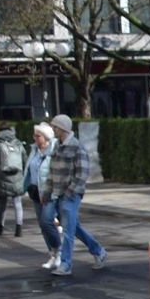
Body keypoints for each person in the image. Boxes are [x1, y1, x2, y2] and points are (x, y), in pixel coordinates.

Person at [42, 115, 106, 279]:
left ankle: (66, 264)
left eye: (55, 127)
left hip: (70, 195)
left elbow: (82, 173)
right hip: (57, 194)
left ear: (62, 128)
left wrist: (71, 192)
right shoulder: (57, 146)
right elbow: (51, 172)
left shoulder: (76, 147)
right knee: (71, 227)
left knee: (68, 231)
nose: (53, 130)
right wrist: (47, 192)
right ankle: (98, 251)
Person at [0, 124, 28, 237]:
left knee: (2, 202)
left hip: (2, 174)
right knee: (17, 202)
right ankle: (19, 228)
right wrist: (22, 171)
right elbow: (24, 158)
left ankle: (0, 225)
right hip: (17, 174)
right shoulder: (18, 142)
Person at [25, 123, 59, 257]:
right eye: (34, 135)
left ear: (45, 137)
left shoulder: (53, 151)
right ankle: (53, 253)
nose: (35, 138)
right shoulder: (34, 150)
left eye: (37, 136)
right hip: (35, 191)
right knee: (42, 224)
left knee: (47, 221)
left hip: (49, 191)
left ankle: (59, 250)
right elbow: (29, 169)